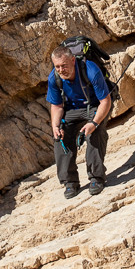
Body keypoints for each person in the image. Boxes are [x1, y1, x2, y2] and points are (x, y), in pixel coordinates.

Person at [47, 45, 112, 197]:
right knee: (60, 137)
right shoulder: (54, 78)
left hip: (95, 106)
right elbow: (56, 105)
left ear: (73, 60)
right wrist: (55, 126)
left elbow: (106, 101)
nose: (61, 70)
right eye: (57, 67)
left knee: (94, 134)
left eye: (64, 65)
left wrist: (94, 123)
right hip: (72, 111)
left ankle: (96, 178)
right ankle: (70, 182)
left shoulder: (90, 70)